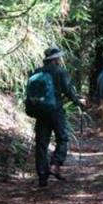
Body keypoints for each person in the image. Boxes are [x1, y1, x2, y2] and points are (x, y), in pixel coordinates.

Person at [31, 47, 83, 187]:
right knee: (62, 138)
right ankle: (55, 164)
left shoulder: (37, 72)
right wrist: (78, 102)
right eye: (59, 57)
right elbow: (68, 91)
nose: (60, 60)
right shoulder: (60, 71)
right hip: (55, 110)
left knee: (41, 143)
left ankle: (42, 177)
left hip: (40, 111)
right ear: (55, 59)